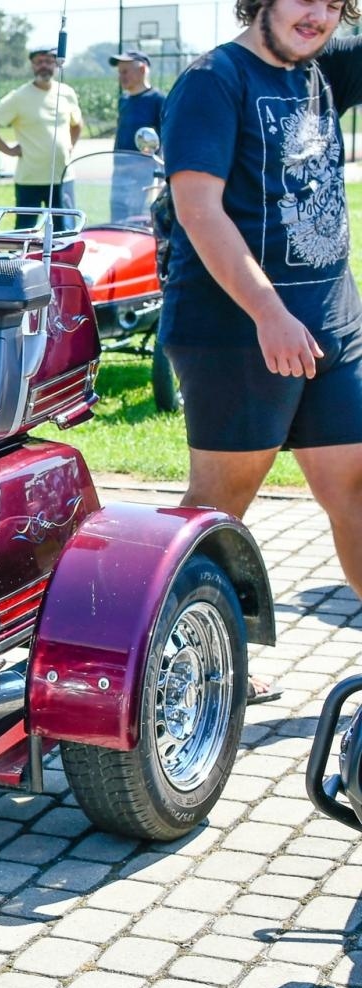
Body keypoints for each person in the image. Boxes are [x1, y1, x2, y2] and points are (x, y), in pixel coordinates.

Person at [161, 0, 362, 630]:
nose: (318, 15)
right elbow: (198, 211)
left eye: (334, 4)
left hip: (332, 330)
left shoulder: (324, 68)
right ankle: (181, 656)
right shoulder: (214, 80)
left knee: (356, 492)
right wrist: (268, 312)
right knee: (216, 514)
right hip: (236, 335)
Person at [0, 46, 83, 217]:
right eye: (39, 62)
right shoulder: (19, 97)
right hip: (30, 179)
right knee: (26, 230)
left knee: (65, 230)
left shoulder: (67, 93)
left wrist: (70, 145)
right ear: (32, 65)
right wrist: (9, 150)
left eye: (48, 61)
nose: (44, 66)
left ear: (56, 64)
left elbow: (77, 124)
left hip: (62, 177)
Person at [109, 51, 167, 221]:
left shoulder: (158, 100)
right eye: (120, 72)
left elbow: (165, 140)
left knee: (139, 221)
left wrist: (160, 176)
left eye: (125, 71)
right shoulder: (124, 100)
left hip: (144, 176)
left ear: (142, 70)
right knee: (117, 221)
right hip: (120, 173)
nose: (121, 76)